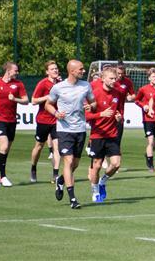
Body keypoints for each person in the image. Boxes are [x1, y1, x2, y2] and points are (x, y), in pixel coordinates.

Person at [45, 59, 95, 209]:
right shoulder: (58, 87)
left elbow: (94, 102)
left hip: (80, 129)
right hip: (64, 130)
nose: (83, 71)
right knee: (68, 160)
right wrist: (56, 113)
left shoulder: (86, 86)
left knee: (74, 164)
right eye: (81, 69)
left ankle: (61, 180)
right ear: (72, 71)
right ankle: (73, 199)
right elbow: (48, 104)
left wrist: (90, 106)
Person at [85, 66, 123, 203]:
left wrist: (118, 117)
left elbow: (118, 111)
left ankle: (103, 181)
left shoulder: (117, 93)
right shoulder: (94, 94)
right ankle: (95, 191)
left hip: (112, 134)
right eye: (111, 78)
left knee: (116, 164)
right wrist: (101, 114)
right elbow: (87, 115)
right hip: (97, 135)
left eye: (115, 78)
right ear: (103, 79)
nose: (114, 81)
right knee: (97, 165)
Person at [30, 61, 61, 184]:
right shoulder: (43, 84)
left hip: (57, 120)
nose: (55, 70)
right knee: (39, 147)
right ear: (47, 71)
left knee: (57, 147)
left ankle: (56, 174)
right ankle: (33, 168)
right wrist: (46, 97)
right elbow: (33, 100)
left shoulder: (61, 84)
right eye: (52, 69)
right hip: (43, 120)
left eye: (56, 68)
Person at [135, 68, 155, 171]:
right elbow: (137, 100)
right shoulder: (144, 89)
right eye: (154, 76)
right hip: (148, 119)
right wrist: (143, 106)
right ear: (149, 78)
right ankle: (150, 164)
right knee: (150, 141)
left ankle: (147, 155)